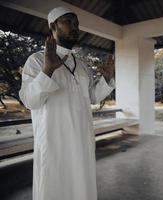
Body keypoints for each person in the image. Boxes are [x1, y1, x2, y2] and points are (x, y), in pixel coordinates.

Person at [19, 7, 115, 200]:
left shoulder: (81, 65)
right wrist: (47, 70)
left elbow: (92, 97)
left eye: (76, 23)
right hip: (54, 144)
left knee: (82, 189)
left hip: (82, 142)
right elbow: (30, 101)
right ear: (53, 25)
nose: (75, 27)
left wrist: (106, 80)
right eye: (68, 22)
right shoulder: (37, 60)